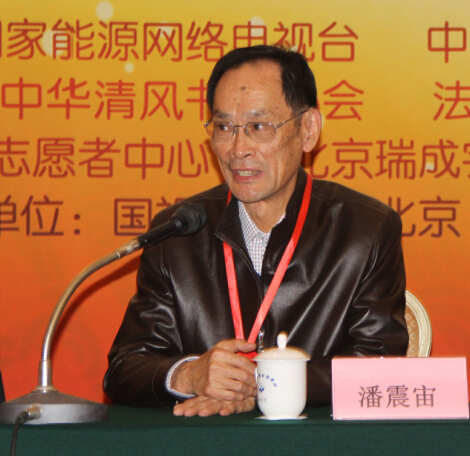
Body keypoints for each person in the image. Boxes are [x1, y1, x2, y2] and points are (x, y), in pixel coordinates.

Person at [104, 45, 408, 417]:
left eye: (258, 127)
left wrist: (265, 382)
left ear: (308, 130)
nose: (238, 149)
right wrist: (188, 374)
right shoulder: (178, 233)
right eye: (223, 127)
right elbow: (124, 369)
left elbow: (380, 369)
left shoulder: (365, 230)